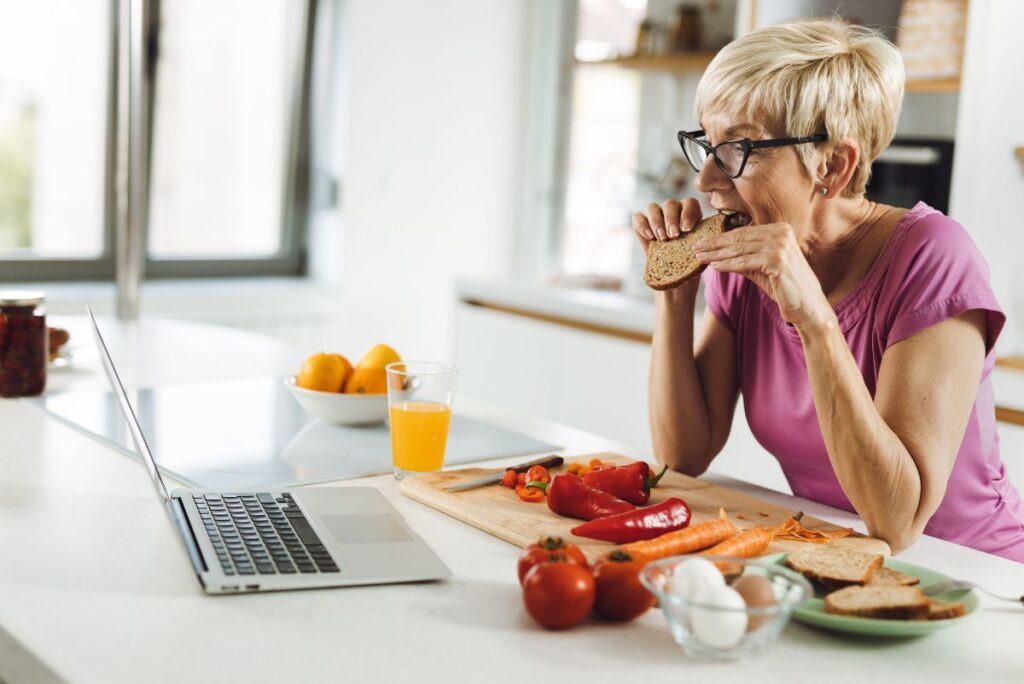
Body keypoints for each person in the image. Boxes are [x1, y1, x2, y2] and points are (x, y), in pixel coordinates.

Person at [633, 19, 1024, 562]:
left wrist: (815, 318)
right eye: (707, 142)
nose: (705, 181)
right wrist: (673, 298)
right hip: (832, 556)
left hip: (972, 575)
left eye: (740, 148)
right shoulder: (746, 256)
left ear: (833, 165)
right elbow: (684, 453)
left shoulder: (934, 258)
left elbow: (899, 520)